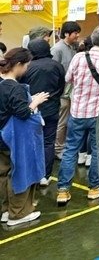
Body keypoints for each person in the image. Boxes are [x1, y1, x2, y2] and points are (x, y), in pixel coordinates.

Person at [56, 27, 99, 204]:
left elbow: (68, 79)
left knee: (70, 149)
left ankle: (63, 190)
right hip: (97, 113)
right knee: (96, 151)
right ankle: (94, 188)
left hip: (77, 112)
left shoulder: (79, 57)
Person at [0, 48, 49, 226]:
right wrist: (34, 102)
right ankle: (18, 213)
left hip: (2, 139)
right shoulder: (14, 87)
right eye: (26, 65)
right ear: (19, 65)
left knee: (3, 175)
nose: (27, 69)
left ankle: (6, 210)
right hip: (13, 140)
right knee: (20, 174)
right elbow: (22, 113)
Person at [20, 39, 66, 186]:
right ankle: (45, 176)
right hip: (52, 109)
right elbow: (61, 86)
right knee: (48, 143)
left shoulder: (28, 67)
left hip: (33, 109)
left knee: (31, 143)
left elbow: (22, 88)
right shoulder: (57, 66)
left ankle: (32, 174)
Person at [52, 21, 81, 160]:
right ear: (66, 34)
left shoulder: (74, 47)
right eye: (75, 33)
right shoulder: (57, 49)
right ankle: (58, 149)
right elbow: (54, 71)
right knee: (62, 121)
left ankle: (65, 146)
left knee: (70, 121)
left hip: (73, 91)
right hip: (63, 92)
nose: (78, 35)